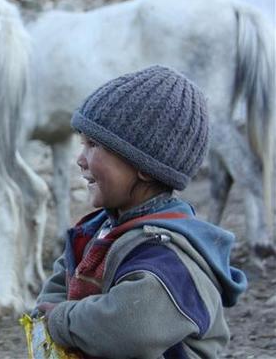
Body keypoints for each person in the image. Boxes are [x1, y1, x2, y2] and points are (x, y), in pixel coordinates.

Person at [34, 65, 247, 358]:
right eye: (82, 144)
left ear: (144, 168)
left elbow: (130, 327)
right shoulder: (99, 229)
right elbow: (63, 278)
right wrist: (47, 313)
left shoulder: (170, 256)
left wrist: (60, 319)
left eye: (93, 145)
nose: (80, 160)